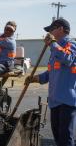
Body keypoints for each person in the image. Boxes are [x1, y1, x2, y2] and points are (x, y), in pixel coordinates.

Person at [25, 18, 76, 146]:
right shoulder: (55, 49)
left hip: (67, 101)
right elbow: (50, 73)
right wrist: (35, 78)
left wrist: (53, 43)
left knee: (65, 139)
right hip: (54, 101)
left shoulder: (71, 45)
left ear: (61, 29)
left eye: (52, 30)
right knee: (58, 138)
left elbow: (68, 59)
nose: (50, 33)